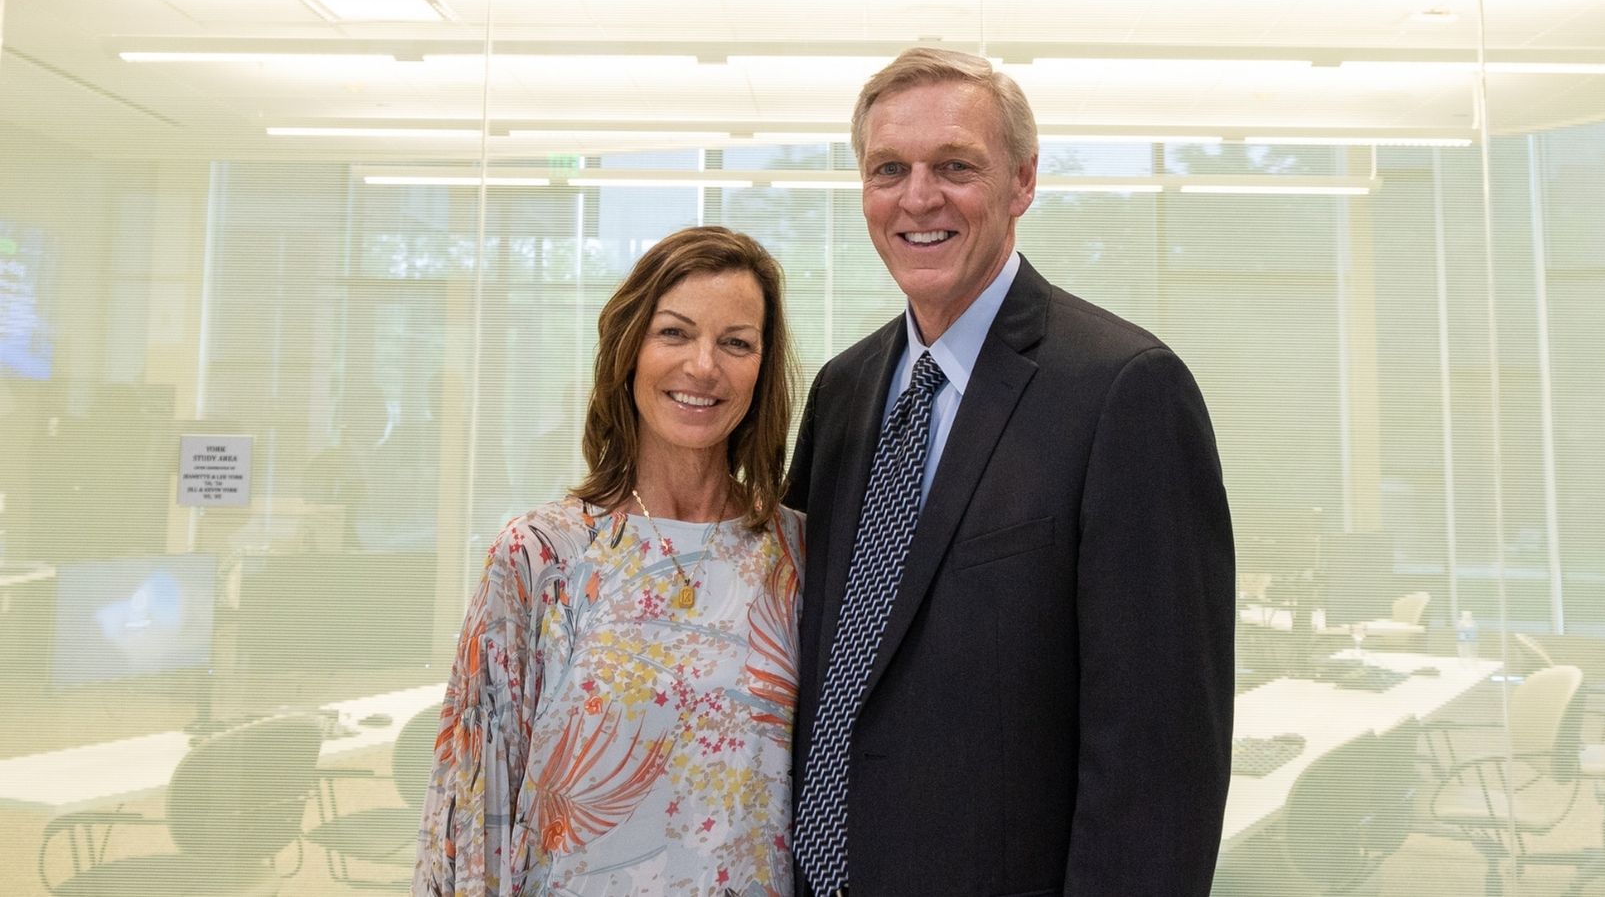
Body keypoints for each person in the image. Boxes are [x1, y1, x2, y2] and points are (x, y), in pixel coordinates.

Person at [786, 48, 1235, 897]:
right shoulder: (843, 392)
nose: (919, 197)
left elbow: (1159, 756)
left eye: (955, 166)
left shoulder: (1124, 391)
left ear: (1023, 182)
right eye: (890, 170)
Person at [413, 226, 805, 897]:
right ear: (630, 353)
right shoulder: (541, 556)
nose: (703, 366)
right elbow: (474, 800)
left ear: (762, 371)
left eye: (735, 342)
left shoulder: (797, 556)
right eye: (675, 333)